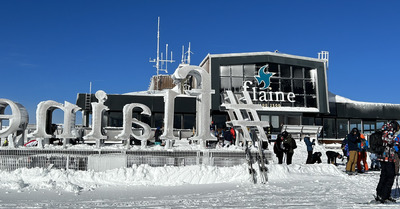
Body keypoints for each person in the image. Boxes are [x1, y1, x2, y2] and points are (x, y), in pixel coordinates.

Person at [375, 121, 400, 203]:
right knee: (389, 176)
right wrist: (395, 142)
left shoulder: (385, 131)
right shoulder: (389, 132)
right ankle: (383, 195)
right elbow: (389, 141)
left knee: (385, 176)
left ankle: (383, 194)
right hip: (387, 158)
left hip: (385, 158)